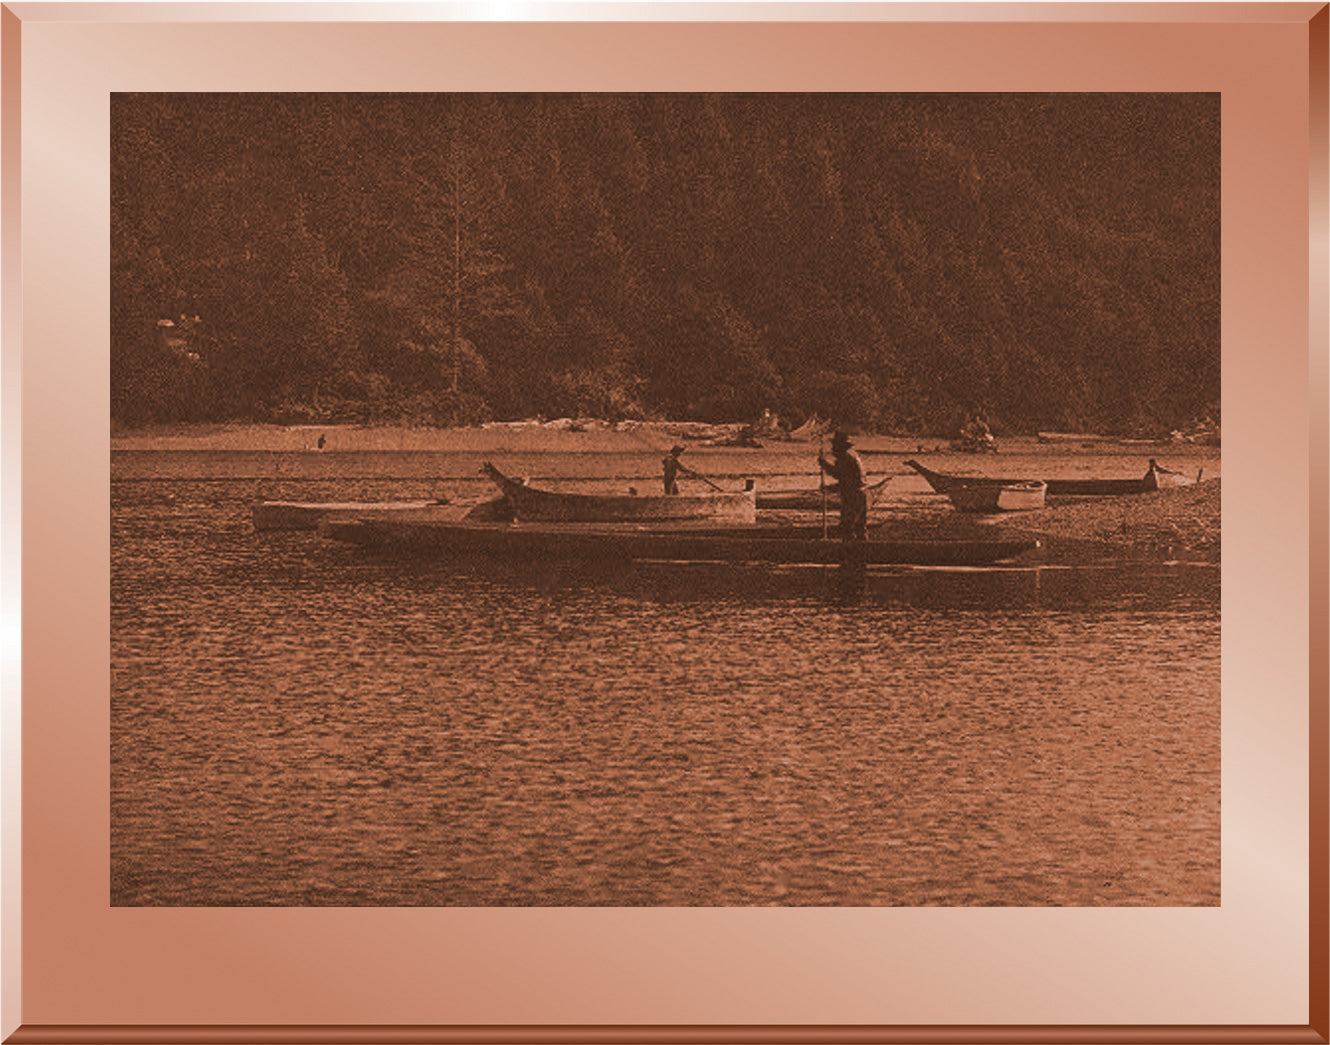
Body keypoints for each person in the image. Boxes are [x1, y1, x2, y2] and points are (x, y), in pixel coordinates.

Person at [818, 431, 869, 540]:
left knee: (848, 527)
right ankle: (861, 548)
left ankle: (852, 551)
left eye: (835, 446)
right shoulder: (851, 455)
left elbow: (839, 474)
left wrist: (824, 464)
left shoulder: (846, 458)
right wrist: (829, 488)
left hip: (854, 496)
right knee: (859, 527)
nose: (833, 449)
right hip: (858, 494)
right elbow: (845, 480)